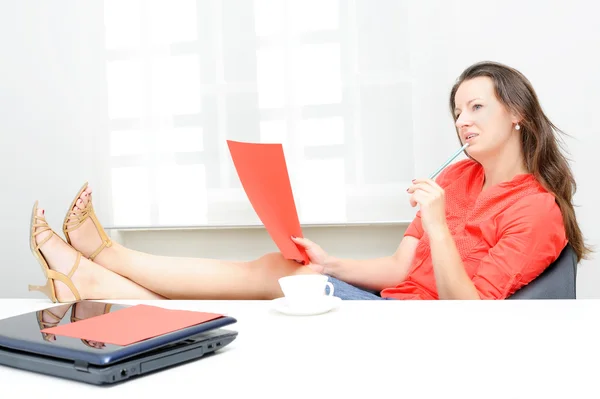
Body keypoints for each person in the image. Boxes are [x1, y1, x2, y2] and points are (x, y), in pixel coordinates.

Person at [27, 61, 590, 303]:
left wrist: (439, 224)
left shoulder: (537, 212)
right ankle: (101, 271)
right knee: (290, 269)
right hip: (391, 304)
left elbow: (464, 312)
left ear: (516, 113)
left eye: (475, 107)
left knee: (278, 280)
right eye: (456, 110)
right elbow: (398, 269)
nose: (462, 120)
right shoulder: (459, 177)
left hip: (421, 332)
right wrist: (332, 263)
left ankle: (101, 263)